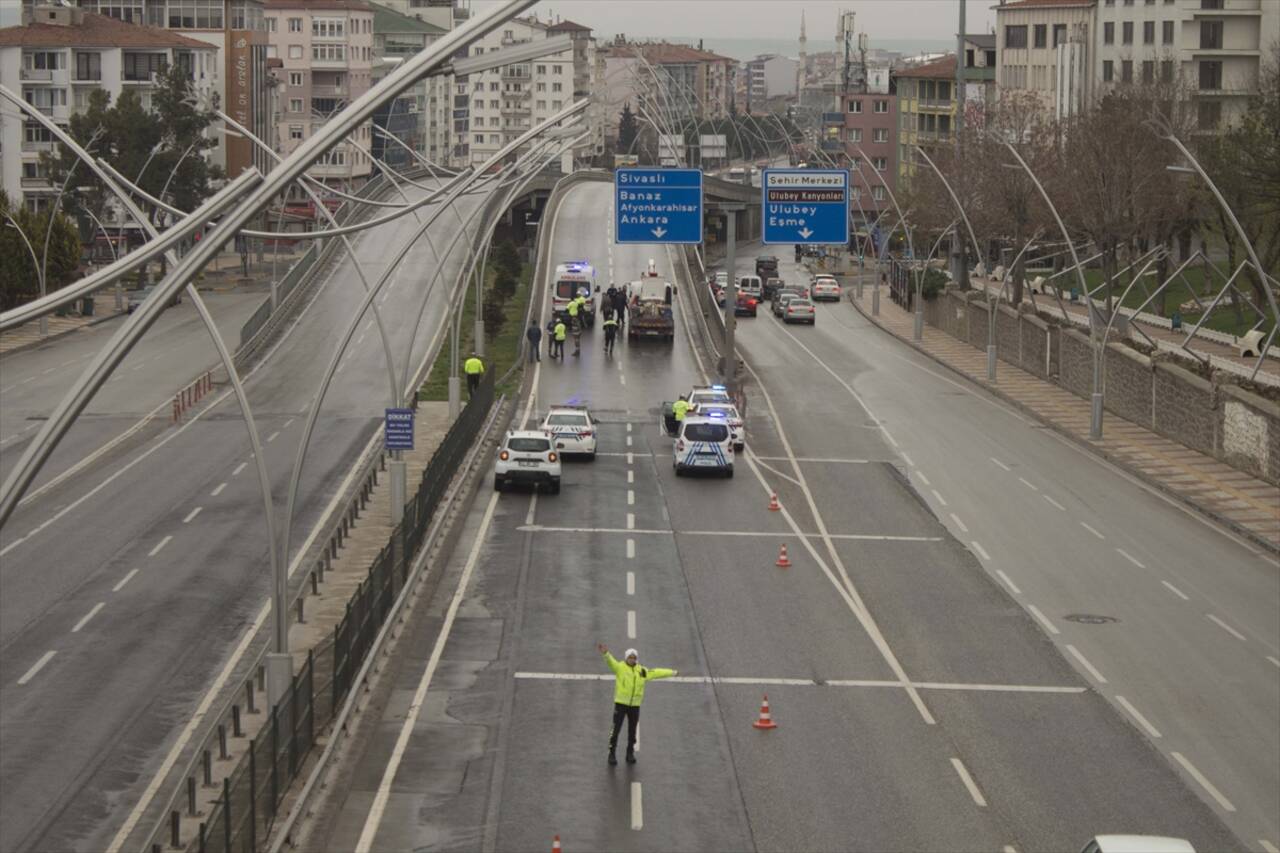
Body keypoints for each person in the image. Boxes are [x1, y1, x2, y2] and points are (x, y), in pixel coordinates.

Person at [596, 643, 676, 766]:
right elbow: (611, 662)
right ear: (626, 657)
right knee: (615, 730)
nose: (632, 659)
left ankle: (630, 753)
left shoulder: (641, 670)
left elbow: (656, 672)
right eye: (630, 657)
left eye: (634, 657)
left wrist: (672, 672)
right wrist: (606, 653)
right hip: (621, 704)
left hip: (635, 706)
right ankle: (612, 753)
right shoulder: (620, 668)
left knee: (632, 731)